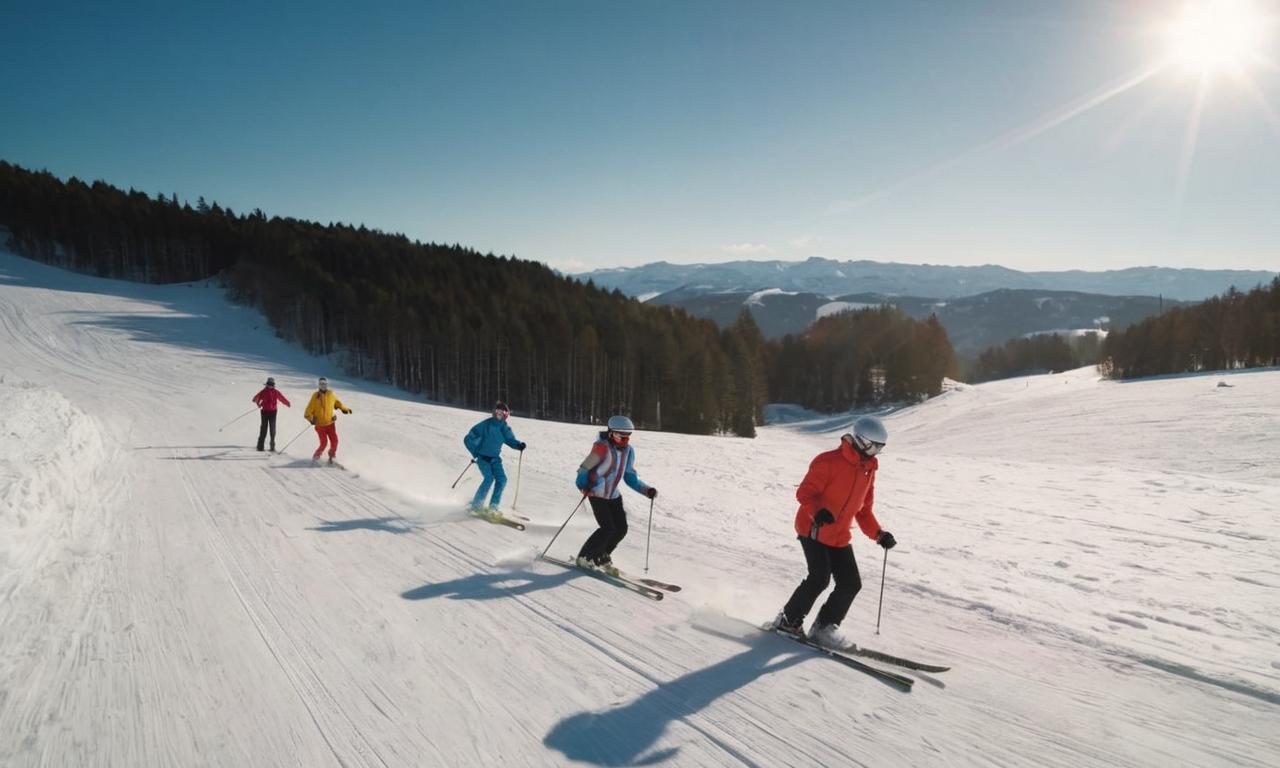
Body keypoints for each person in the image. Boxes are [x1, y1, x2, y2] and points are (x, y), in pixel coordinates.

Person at [770, 415, 897, 648]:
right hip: (813, 528)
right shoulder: (827, 462)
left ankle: (824, 628)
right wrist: (817, 512)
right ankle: (788, 621)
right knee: (819, 578)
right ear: (861, 441)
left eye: (881, 448)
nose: (876, 452)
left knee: (851, 583)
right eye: (874, 446)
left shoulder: (868, 470)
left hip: (839, 536)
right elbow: (805, 494)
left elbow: (863, 511)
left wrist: (879, 534)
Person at [573, 415, 657, 577]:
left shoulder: (628, 451)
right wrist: (583, 486)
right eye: (620, 436)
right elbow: (584, 469)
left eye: (627, 437)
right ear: (611, 433)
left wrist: (646, 490)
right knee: (607, 528)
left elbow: (630, 476)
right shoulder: (601, 448)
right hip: (596, 493)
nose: (624, 440)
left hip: (613, 496)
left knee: (621, 529)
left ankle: (601, 555)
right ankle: (584, 557)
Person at [463, 401, 526, 515]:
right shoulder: (486, 424)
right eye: (497, 412)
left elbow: (510, 440)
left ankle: (493, 507)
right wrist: (475, 452)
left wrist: (518, 445)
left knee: (502, 480)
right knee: (489, 478)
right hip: (483, 458)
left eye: (501, 413)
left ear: (506, 415)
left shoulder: (504, 428)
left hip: (495, 459)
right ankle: (476, 505)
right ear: (493, 412)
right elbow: (469, 437)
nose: (498, 415)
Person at [302, 376, 352, 463]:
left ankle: (331, 456)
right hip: (320, 425)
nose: (323, 386)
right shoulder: (315, 396)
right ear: (318, 385)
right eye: (321, 384)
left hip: (330, 424)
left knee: (335, 441)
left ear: (327, 384)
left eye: (324, 384)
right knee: (324, 443)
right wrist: (311, 419)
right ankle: (316, 457)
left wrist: (345, 409)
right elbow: (307, 412)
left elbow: (337, 403)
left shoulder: (330, 394)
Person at [251, 376, 291, 452]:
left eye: (271, 384)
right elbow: (255, 398)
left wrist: (287, 403)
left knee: (272, 429)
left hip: (273, 412)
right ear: (266, 384)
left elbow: (281, 398)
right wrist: (258, 403)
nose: (270, 385)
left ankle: (272, 447)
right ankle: (260, 447)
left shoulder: (276, 392)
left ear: (273, 385)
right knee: (263, 429)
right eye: (269, 384)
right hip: (264, 412)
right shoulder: (263, 391)